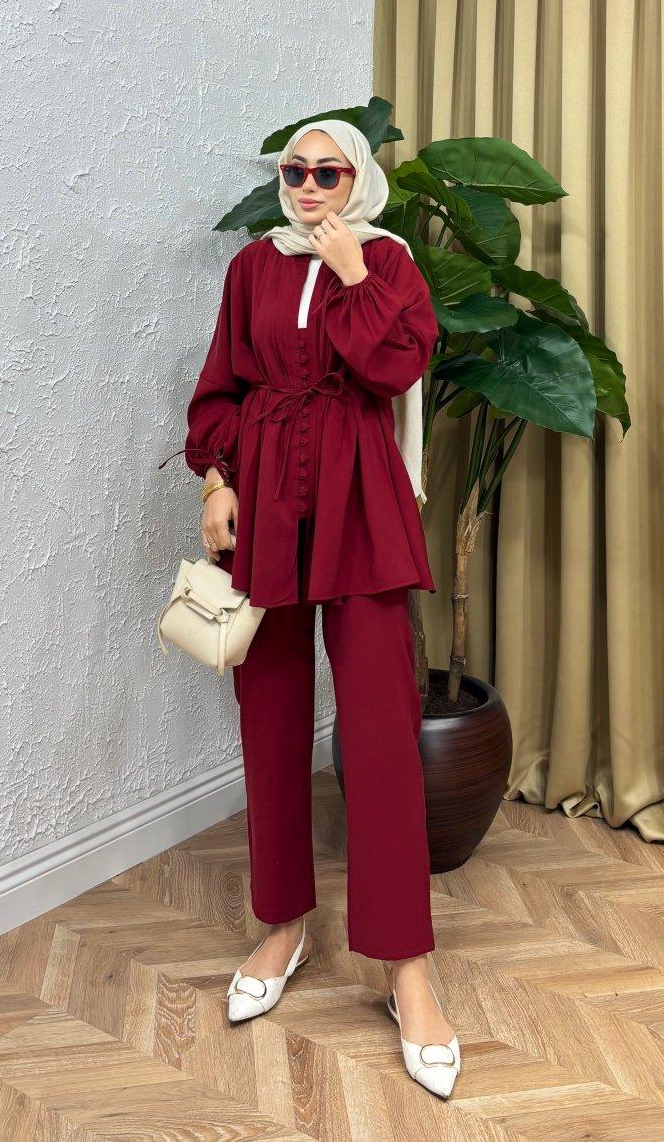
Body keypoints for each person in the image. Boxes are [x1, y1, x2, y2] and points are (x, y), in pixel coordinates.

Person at [165, 119, 461, 1098]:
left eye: (327, 171)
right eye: (294, 169)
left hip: (361, 501)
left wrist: (352, 275)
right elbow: (223, 385)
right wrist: (216, 481)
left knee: (379, 732)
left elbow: (394, 368)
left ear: (357, 178)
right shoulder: (253, 266)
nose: (306, 184)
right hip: (266, 500)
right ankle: (283, 924)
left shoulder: (388, 262)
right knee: (271, 717)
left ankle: (407, 970)